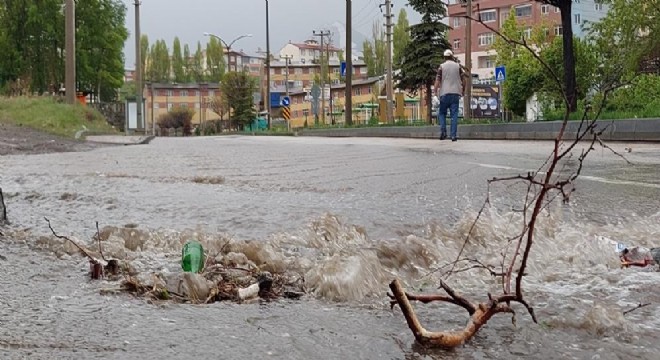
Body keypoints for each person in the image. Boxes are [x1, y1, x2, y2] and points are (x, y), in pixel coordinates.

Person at [434, 49, 466, 141]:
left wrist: (435, 92)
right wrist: (463, 90)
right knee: (454, 114)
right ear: (452, 56)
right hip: (455, 94)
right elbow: (464, 80)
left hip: (444, 94)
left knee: (442, 113)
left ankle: (443, 132)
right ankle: (453, 135)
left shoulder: (441, 67)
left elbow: (437, 80)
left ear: (444, 57)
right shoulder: (458, 66)